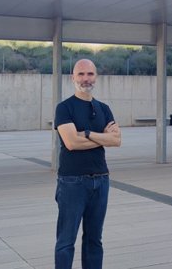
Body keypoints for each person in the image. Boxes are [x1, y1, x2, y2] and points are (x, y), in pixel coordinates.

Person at [54, 59, 121, 269]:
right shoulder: (64, 108)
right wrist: (102, 137)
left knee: (94, 240)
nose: (86, 79)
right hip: (72, 182)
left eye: (90, 74)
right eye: (81, 74)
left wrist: (89, 133)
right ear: (72, 77)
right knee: (66, 242)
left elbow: (116, 140)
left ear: (96, 77)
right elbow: (71, 142)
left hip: (101, 181)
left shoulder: (104, 108)